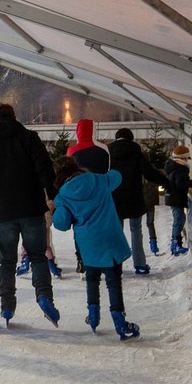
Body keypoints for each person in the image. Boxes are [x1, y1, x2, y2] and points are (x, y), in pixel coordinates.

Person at [0, 103, 59, 326]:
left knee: (7, 261)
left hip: (2, 212)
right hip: (30, 207)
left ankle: (7, 307)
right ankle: (43, 296)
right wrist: (52, 194)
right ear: (14, 116)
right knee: (38, 256)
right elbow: (45, 168)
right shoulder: (29, 138)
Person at [52, 143, 140, 340]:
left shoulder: (63, 196)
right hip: (111, 238)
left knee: (92, 279)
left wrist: (56, 210)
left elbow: (62, 224)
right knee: (114, 281)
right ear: (75, 167)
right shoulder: (99, 180)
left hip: (90, 245)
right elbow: (116, 176)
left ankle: (93, 317)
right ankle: (120, 322)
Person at [107, 128, 167, 275]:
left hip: (115, 198)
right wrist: (167, 182)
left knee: (115, 232)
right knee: (136, 230)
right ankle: (140, 264)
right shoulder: (136, 152)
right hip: (134, 197)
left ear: (117, 137)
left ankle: (115, 264)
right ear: (131, 138)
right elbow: (149, 172)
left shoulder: (108, 153)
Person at [162, 144, 192, 254]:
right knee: (179, 220)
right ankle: (175, 244)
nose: (187, 161)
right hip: (176, 197)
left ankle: (176, 243)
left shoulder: (173, 167)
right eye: (186, 158)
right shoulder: (181, 168)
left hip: (173, 197)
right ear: (183, 158)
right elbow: (181, 183)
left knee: (180, 219)